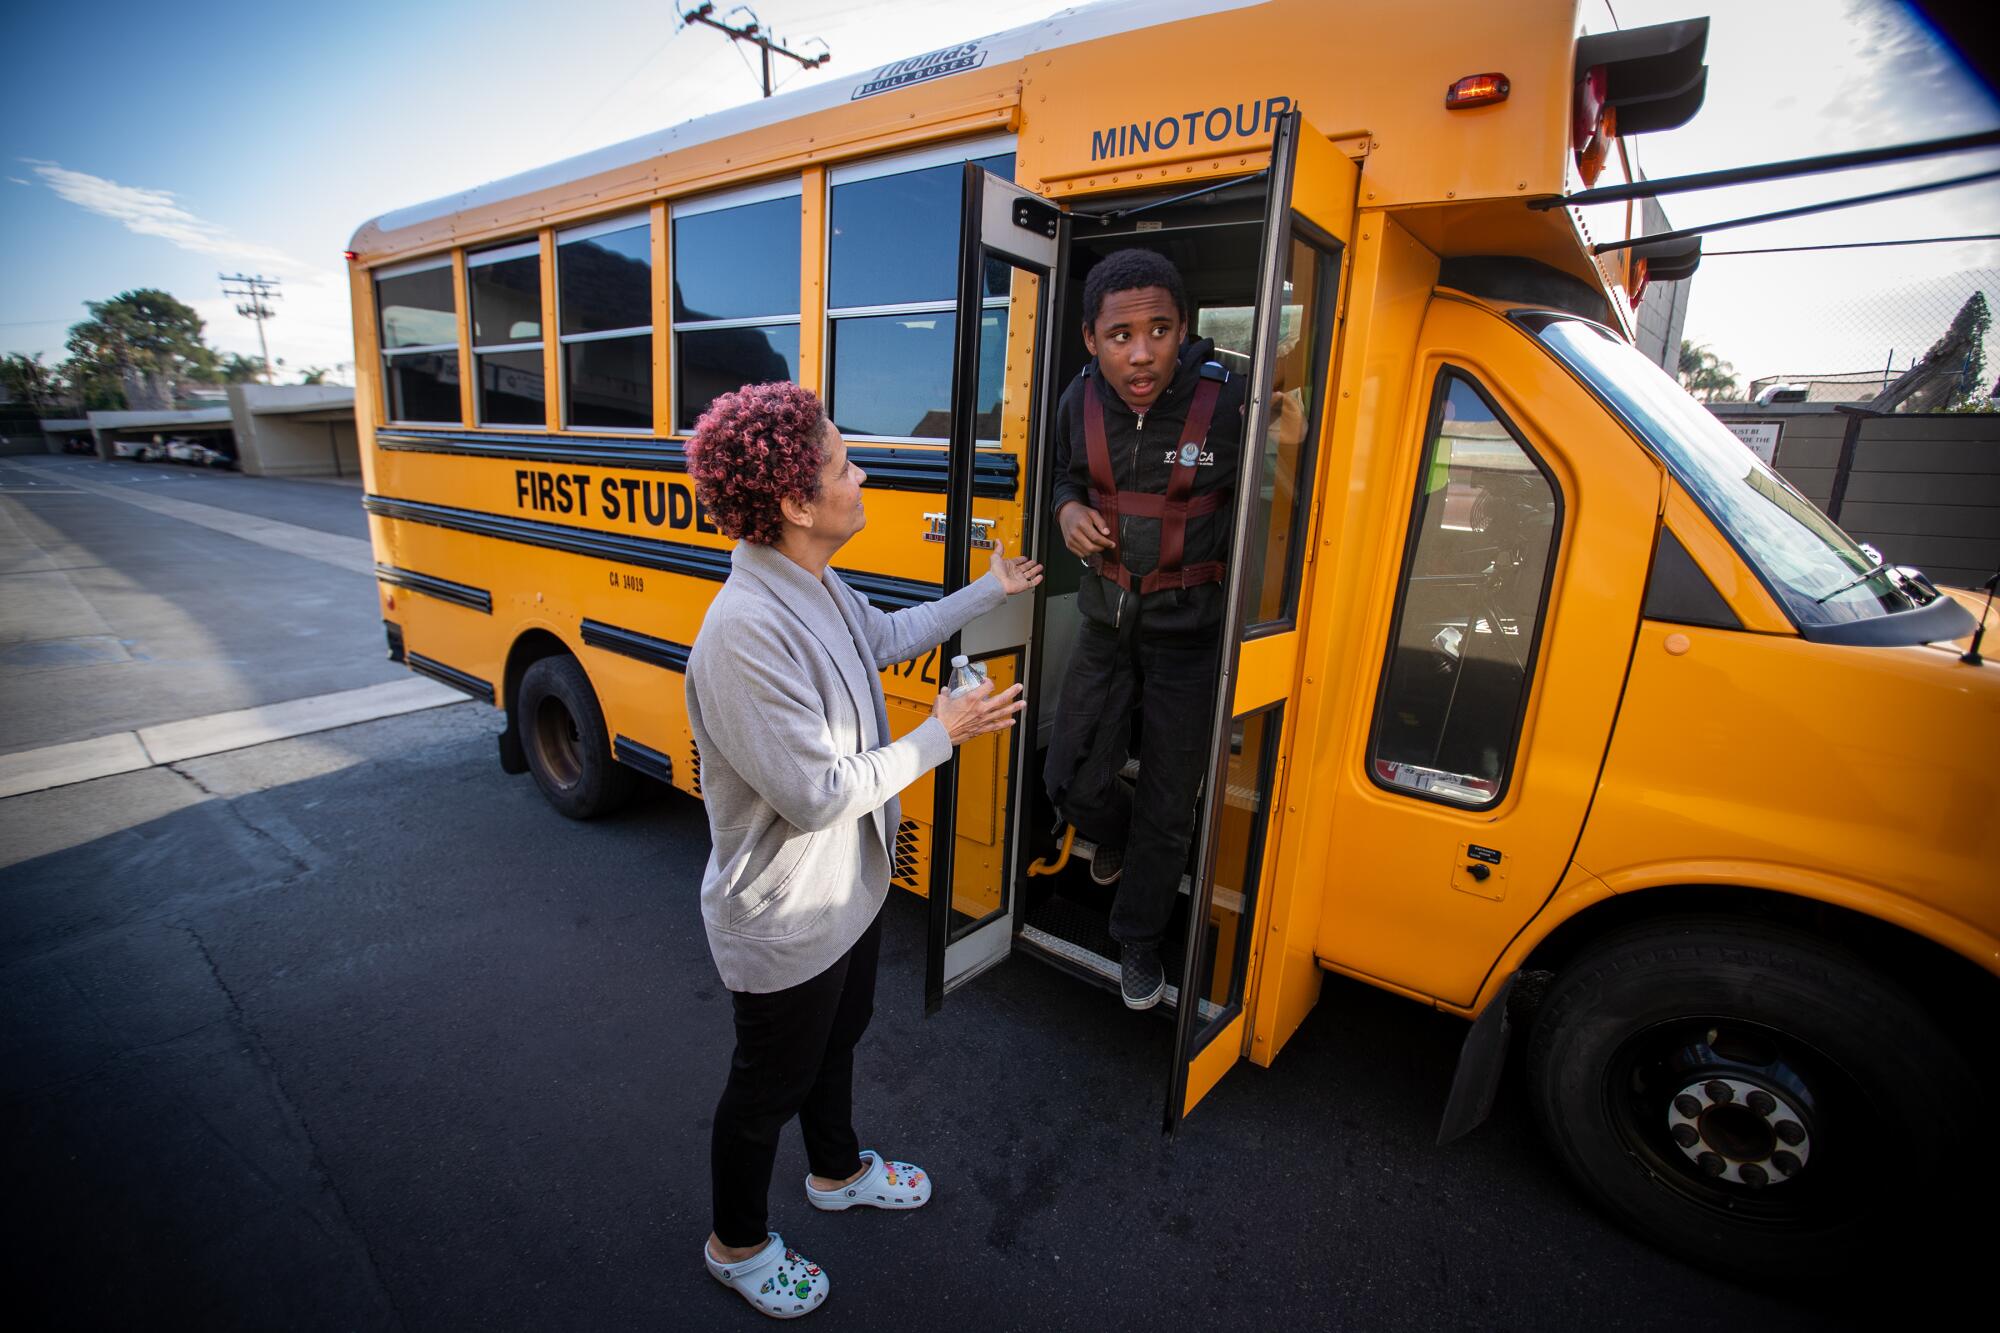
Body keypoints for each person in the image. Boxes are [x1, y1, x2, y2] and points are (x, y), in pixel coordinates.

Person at [683, 380, 1042, 1319]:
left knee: (837, 1040)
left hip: (845, 890)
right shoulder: (745, 630)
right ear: (798, 503)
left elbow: (883, 636)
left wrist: (986, 590)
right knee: (766, 1088)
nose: (861, 470)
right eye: (844, 462)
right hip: (786, 913)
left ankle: (836, 1172)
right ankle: (737, 1242)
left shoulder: (809, 580)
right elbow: (816, 793)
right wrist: (943, 732)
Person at [1042, 249, 1247, 1010]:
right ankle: (1115, 835)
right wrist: (1066, 511)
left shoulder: (1228, 402)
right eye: (1121, 334)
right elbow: (1067, 475)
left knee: (1170, 799)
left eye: (1159, 330)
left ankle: (1137, 937)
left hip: (1188, 634)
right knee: (1065, 776)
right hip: (1105, 622)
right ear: (1091, 340)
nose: (1142, 351)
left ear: (1183, 329)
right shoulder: (1078, 401)